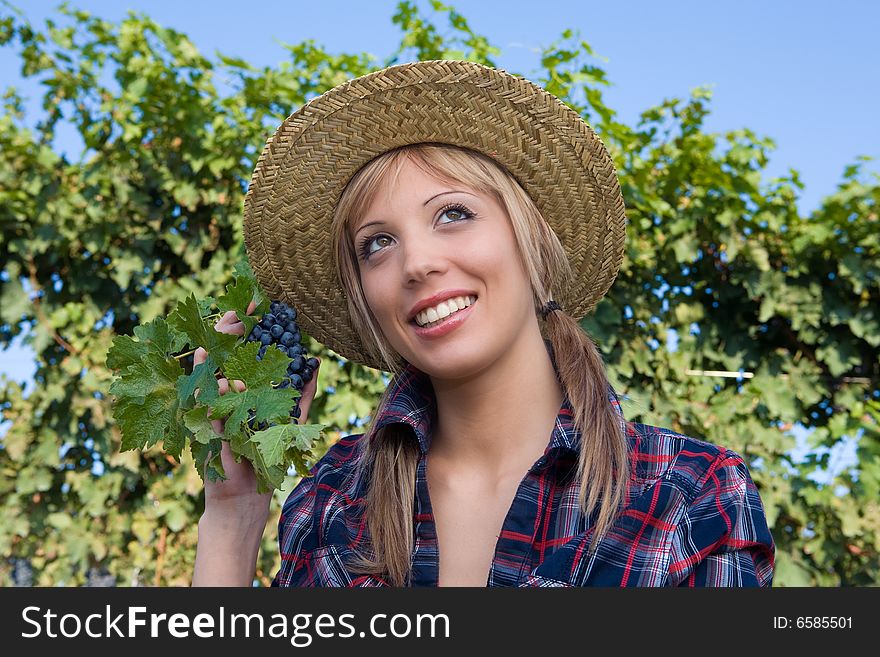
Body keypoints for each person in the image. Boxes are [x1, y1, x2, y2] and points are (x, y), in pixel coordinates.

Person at [192, 60, 775, 587]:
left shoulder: (688, 496)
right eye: (377, 244)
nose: (416, 263)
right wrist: (234, 513)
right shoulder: (329, 503)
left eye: (453, 213)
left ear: (531, 243)